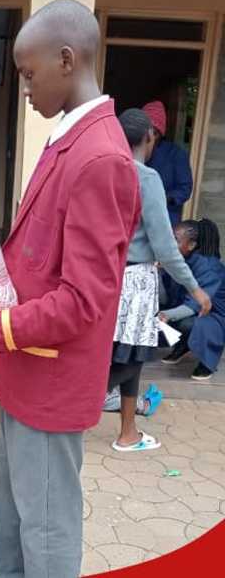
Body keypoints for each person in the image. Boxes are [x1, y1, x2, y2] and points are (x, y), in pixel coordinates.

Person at [0, 0, 140, 578]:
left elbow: (84, 300)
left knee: (46, 535)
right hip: (25, 374)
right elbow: (36, 260)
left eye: (27, 74)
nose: (23, 87)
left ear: (66, 60)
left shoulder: (100, 158)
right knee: (16, 529)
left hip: (49, 383)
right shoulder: (64, 141)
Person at [103, 109, 210, 452]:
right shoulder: (146, 177)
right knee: (129, 359)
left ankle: (128, 432)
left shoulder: (105, 171)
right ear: (150, 137)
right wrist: (195, 289)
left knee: (129, 359)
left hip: (109, 276)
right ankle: (69, 413)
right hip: (135, 283)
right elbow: (165, 246)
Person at [160, 219, 225, 380]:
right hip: (195, 309)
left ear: (191, 245)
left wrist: (165, 315)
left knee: (186, 323)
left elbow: (195, 305)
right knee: (158, 313)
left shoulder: (208, 266)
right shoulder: (181, 260)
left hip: (215, 316)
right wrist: (158, 274)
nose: (170, 243)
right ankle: (184, 345)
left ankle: (207, 362)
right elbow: (165, 297)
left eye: (175, 239)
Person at [143, 100, 195, 225]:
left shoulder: (176, 155)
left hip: (165, 219)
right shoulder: (133, 149)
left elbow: (185, 188)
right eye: (146, 131)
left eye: (154, 133)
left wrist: (165, 199)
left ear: (160, 133)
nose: (149, 137)